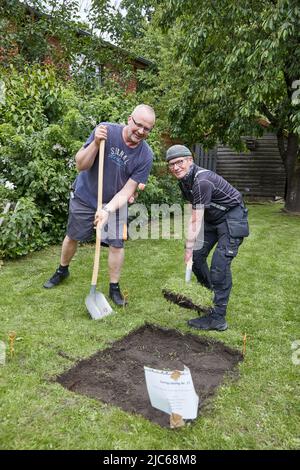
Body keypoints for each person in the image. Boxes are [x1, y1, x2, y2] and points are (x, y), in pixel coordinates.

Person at [44, 104, 156, 306]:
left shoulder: (145, 155)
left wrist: (107, 209)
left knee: (116, 244)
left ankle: (114, 287)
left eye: (147, 129)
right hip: (86, 196)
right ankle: (62, 270)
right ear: (129, 119)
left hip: (115, 203)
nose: (141, 131)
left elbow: (128, 190)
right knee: (73, 236)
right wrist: (95, 143)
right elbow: (80, 164)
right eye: (139, 125)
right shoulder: (105, 131)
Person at [166, 144, 249, 331]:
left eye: (180, 162)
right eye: (171, 164)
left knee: (219, 267)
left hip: (232, 217)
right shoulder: (184, 181)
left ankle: (218, 318)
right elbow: (193, 209)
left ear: (190, 161)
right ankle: (208, 298)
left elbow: (196, 219)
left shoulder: (202, 180)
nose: (176, 167)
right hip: (212, 219)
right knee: (196, 258)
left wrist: (188, 246)